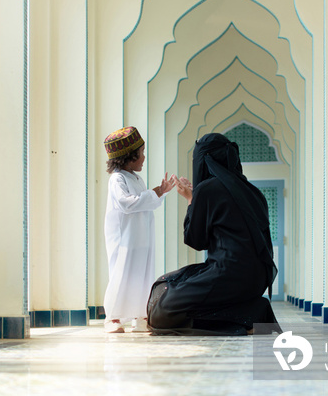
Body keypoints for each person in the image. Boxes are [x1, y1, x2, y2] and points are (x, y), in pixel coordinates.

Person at [147, 133, 281, 335]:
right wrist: (197, 199)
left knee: (161, 307)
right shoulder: (254, 192)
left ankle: (249, 317)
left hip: (228, 273)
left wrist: (193, 201)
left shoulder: (207, 189)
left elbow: (195, 240)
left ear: (204, 161)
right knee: (174, 286)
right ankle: (254, 312)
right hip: (257, 279)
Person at [103, 126, 175, 333]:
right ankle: (113, 318)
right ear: (129, 156)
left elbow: (146, 203)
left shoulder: (136, 178)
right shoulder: (117, 179)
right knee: (122, 274)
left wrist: (161, 192)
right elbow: (127, 204)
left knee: (142, 275)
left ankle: (140, 316)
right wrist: (156, 191)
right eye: (141, 153)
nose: (144, 157)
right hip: (124, 239)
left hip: (141, 238)